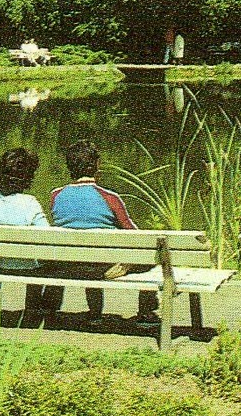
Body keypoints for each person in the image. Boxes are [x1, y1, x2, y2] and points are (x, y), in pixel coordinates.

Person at [47, 140, 160, 328]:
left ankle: (94, 314)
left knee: (87, 257)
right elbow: (136, 236)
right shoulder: (109, 197)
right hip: (104, 268)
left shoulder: (56, 195)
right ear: (97, 165)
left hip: (69, 265)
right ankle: (146, 314)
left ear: (69, 167)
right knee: (147, 255)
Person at [0, 147, 52, 319]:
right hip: (27, 266)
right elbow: (47, 236)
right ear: (27, 176)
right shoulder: (30, 203)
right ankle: (32, 306)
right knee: (43, 262)